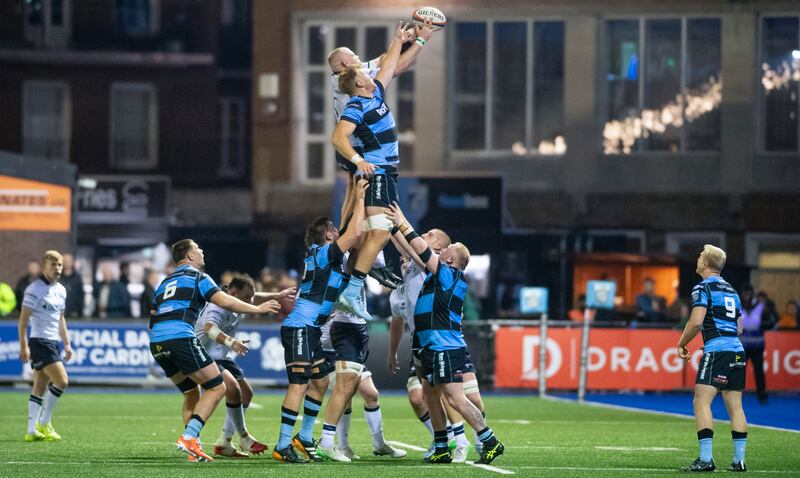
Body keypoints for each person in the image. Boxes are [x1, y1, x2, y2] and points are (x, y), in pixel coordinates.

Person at [386, 203, 505, 465]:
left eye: (445, 251)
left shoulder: (449, 274)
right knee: (429, 394)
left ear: (449, 259)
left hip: (444, 345)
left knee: (456, 398)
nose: (440, 253)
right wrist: (393, 225)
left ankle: (489, 440)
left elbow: (421, 250)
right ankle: (442, 446)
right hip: (428, 344)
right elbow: (413, 251)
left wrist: (402, 222)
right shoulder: (437, 275)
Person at [148, 239, 279, 462]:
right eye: (197, 249)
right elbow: (225, 302)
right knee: (217, 386)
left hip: (157, 343)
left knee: (191, 392)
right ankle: (189, 436)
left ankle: (193, 447)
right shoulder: (199, 277)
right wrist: (257, 308)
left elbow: (153, 316)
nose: (201, 251)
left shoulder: (164, 282)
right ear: (189, 256)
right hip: (180, 337)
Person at [328, 19, 434, 288]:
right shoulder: (354, 98)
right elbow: (393, 65)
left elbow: (386, 63)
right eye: (356, 60)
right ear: (346, 67)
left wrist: (409, 38)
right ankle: (364, 271)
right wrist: (358, 160)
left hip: (373, 158)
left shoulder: (366, 87)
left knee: (385, 220)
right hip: (366, 154)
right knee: (375, 225)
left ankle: (410, 265)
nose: (362, 64)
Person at [272, 179, 368, 464]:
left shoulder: (326, 254)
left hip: (311, 329)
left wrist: (352, 189)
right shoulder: (324, 254)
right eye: (333, 229)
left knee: (320, 381)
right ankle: (282, 444)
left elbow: (347, 223)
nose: (337, 231)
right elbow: (354, 230)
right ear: (328, 234)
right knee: (299, 385)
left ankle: (303, 437)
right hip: (300, 326)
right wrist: (361, 197)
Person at [331, 22, 409, 321]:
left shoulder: (373, 91)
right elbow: (337, 138)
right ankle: (351, 289)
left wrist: (398, 40)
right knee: (379, 232)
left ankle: (350, 288)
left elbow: (388, 67)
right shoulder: (355, 107)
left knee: (376, 232)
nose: (370, 74)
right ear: (360, 83)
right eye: (365, 74)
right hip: (378, 172)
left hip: (387, 172)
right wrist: (358, 160)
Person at [315, 253, 406, 462]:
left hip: (356, 328)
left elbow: (378, 262)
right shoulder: (340, 257)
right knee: (344, 390)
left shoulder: (351, 256)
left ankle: (377, 444)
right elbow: (376, 259)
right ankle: (328, 442)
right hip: (342, 331)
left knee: (370, 394)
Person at [195, 273, 291, 458]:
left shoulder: (236, 298)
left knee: (246, 392)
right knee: (232, 388)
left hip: (219, 355)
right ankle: (244, 437)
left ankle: (224, 441)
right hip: (203, 355)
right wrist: (232, 342)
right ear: (233, 292)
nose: (250, 301)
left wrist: (277, 295)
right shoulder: (218, 304)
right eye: (246, 296)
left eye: (251, 296)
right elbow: (209, 328)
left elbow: (256, 297)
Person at [677, 245, 747, 472]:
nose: (697, 259)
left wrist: (682, 343)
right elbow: (738, 329)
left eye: (700, 256)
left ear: (705, 263)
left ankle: (706, 459)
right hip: (737, 351)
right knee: (735, 407)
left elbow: (696, 321)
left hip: (717, 351)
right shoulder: (732, 291)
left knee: (701, 401)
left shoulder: (702, 288)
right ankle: (739, 461)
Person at [18, 250, 71, 442]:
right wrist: (24, 345)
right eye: (53, 265)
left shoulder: (61, 290)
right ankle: (45, 422)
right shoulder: (34, 289)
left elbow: (60, 318)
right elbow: (23, 320)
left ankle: (31, 430)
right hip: (39, 341)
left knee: (40, 386)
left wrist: (66, 343)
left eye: (59, 266)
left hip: (53, 342)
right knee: (62, 381)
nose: (57, 269)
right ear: (44, 267)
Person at [740, 284, 768, 404]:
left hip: (757, 346)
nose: (747, 296)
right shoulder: (736, 306)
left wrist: (760, 324)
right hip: (740, 347)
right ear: (741, 295)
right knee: (738, 370)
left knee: (758, 371)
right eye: (745, 294)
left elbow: (772, 320)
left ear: (753, 294)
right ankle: (736, 393)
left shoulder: (761, 307)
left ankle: (762, 395)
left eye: (749, 294)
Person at [60, 253, 84, 318]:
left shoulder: (77, 278)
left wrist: (78, 310)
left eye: (69, 261)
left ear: (72, 262)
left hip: (74, 314)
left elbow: (81, 295)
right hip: (58, 314)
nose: (67, 263)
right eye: (65, 261)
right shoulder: (57, 278)